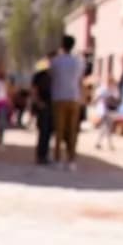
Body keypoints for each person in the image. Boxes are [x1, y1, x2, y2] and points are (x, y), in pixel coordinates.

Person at [50, 35, 85, 170]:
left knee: (59, 130)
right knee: (72, 130)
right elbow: (80, 80)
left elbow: (52, 75)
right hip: (74, 97)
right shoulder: (79, 61)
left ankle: (58, 158)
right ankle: (71, 160)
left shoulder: (56, 61)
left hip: (59, 97)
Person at [30, 53, 55, 164]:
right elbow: (34, 89)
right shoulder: (40, 75)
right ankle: (41, 155)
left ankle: (45, 154)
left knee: (49, 131)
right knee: (43, 130)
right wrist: (38, 102)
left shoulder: (56, 76)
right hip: (43, 105)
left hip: (53, 106)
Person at [94, 77, 121, 150]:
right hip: (104, 110)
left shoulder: (114, 89)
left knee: (105, 127)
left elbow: (117, 99)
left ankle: (99, 142)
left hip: (110, 110)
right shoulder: (103, 89)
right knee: (107, 127)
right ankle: (109, 144)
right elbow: (97, 98)